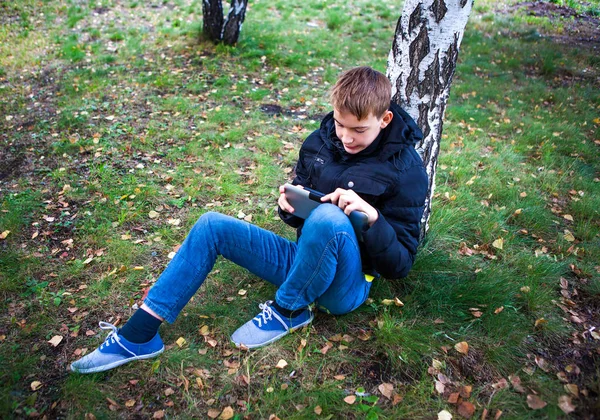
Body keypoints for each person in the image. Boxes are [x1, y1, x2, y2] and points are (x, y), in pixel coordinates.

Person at [70, 66, 428, 374]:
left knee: (331, 218)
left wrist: (374, 219)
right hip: (303, 261)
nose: (346, 137)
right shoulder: (319, 143)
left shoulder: (406, 169)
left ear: (384, 119)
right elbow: (300, 207)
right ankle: (139, 335)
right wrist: (288, 207)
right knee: (212, 224)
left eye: (358, 130)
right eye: (339, 124)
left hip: (345, 286)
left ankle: (288, 310)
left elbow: (400, 266)